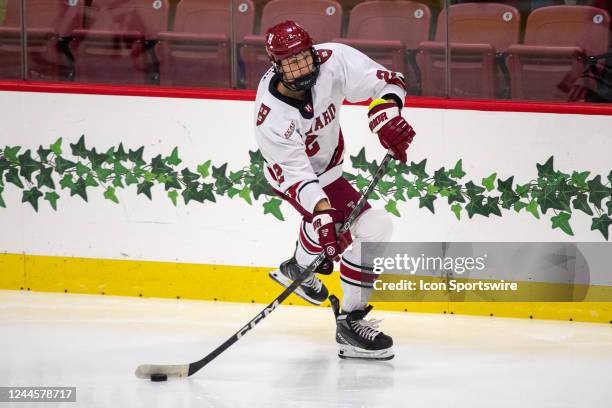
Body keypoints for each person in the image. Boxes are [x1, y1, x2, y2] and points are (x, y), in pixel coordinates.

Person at [253, 20, 416, 360]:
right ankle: (346, 323)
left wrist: (386, 114)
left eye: (304, 57)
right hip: (297, 181)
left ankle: (303, 272)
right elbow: (299, 179)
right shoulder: (271, 118)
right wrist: (324, 217)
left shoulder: (333, 60)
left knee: (373, 226)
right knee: (342, 226)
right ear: (276, 66)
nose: (302, 67)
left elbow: (388, 82)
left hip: (329, 170)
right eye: (290, 62)